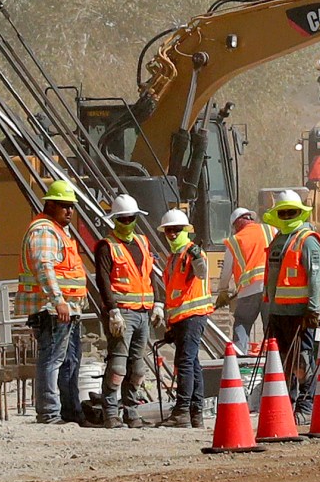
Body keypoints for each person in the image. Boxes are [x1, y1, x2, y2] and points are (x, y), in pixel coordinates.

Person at [21, 179, 90, 423]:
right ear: (50, 205)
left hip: (67, 309)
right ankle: (49, 413)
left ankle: (70, 411)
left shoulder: (60, 232)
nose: (69, 210)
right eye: (63, 205)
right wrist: (58, 300)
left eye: (71, 206)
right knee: (52, 360)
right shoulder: (45, 230)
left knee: (69, 360)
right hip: (52, 308)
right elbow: (44, 268)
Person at [89, 194, 161, 427]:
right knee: (118, 365)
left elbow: (150, 274)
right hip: (122, 313)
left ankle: (131, 411)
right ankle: (111, 412)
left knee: (138, 368)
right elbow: (103, 281)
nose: (127, 222)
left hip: (143, 312)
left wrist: (158, 303)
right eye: (123, 219)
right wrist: (112, 311)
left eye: (131, 218)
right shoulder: (107, 246)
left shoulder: (142, 242)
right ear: (115, 220)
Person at [157, 207, 215, 427]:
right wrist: (170, 323)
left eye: (176, 230)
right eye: (169, 231)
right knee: (192, 363)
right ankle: (194, 413)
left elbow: (201, 271)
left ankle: (182, 411)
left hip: (193, 317)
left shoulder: (192, 253)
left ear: (186, 231)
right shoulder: (173, 257)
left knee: (185, 362)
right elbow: (173, 294)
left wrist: (197, 256)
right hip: (181, 318)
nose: (172, 234)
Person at [260, 189, 320, 389]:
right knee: (283, 361)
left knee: (302, 361)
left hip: (299, 314)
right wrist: (270, 310)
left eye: (291, 212)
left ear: (299, 213)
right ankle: (289, 402)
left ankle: (306, 403)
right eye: (283, 213)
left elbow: (315, 276)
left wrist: (313, 309)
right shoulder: (277, 240)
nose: (287, 217)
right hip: (278, 313)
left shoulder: (308, 240)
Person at [225, 205, 269, 349]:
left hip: (248, 290)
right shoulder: (269, 230)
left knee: (242, 323)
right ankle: (275, 362)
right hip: (271, 288)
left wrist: (222, 291)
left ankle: (239, 359)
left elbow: (226, 270)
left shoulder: (234, 240)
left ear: (236, 223)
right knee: (272, 328)